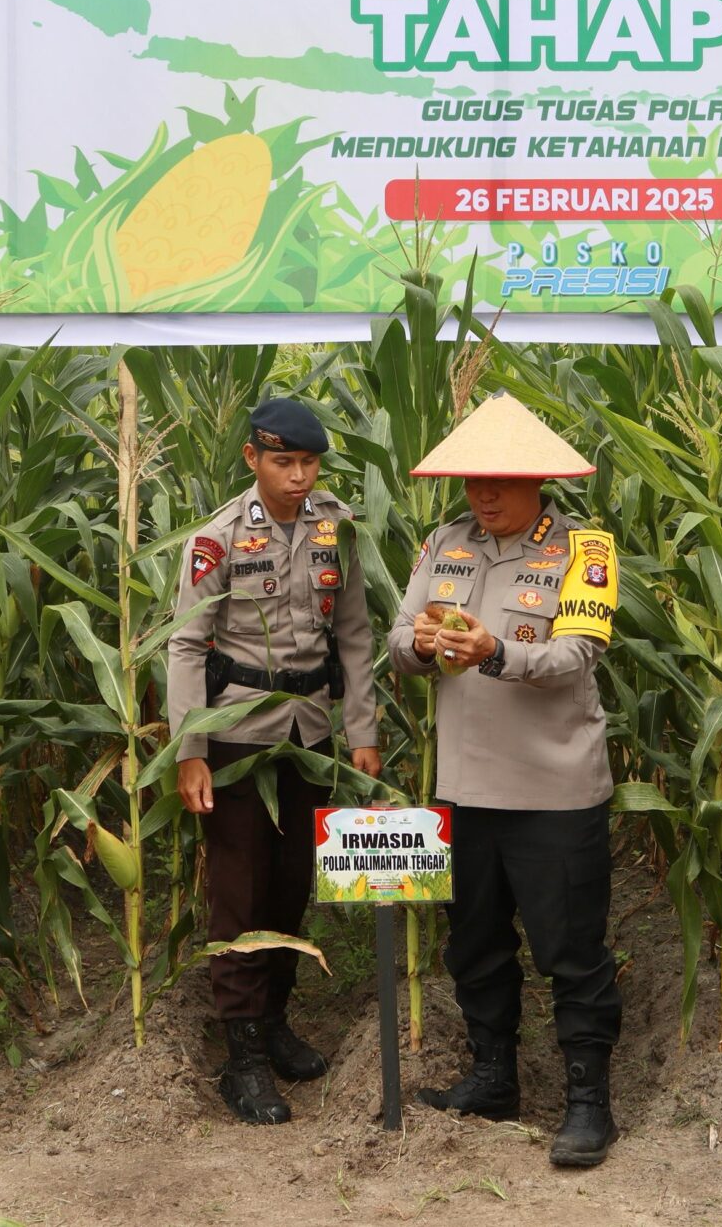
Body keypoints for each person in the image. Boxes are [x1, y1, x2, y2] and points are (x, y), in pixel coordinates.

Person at [392, 394, 623, 1170]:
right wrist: (424, 646)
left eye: (499, 482)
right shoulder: (444, 546)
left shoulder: (585, 551)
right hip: (463, 788)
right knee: (476, 945)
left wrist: (493, 652)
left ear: (537, 483)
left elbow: (574, 657)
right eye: (472, 483)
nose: (482, 496)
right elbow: (399, 639)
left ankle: (589, 1099)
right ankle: (494, 1078)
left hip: (554, 792)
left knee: (571, 952)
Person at [166, 398, 382, 1124]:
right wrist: (189, 749)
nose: (298, 476)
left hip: (310, 733)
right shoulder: (218, 539)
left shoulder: (336, 528)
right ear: (252, 459)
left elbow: (353, 636)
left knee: (292, 886)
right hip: (236, 738)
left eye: (309, 462)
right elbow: (187, 646)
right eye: (283, 461)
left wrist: (362, 732)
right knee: (239, 895)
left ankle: (277, 1021)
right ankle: (244, 1057)